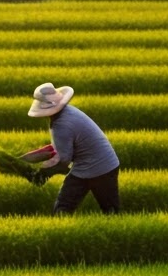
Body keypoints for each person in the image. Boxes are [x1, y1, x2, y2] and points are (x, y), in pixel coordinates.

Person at [24, 83, 121, 215]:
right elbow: (56, 149)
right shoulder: (68, 112)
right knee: (110, 211)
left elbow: (63, 160)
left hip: (100, 168)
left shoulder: (61, 124)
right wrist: (25, 158)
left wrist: (42, 174)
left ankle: (61, 231)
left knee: (64, 208)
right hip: (104, 164)